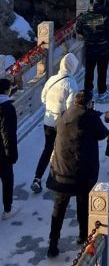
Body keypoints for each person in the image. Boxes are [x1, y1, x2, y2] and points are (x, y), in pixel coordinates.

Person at [46, 90, 108, 256]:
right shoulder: (90, 118)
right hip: (82, 173)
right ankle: (83, 236)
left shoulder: (63, 116)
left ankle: (53, 244)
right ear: (89, 103)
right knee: (83, 205)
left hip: (61, 172)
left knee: (58, 210)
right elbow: (103, 134)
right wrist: (94, 115)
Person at [31, 53, 79, 194]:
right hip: (62, 123)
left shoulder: (52, 79)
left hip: (48, 121)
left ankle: (37, 178)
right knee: (62, 150)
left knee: (47, 149)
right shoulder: (71, 83)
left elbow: (43, 98)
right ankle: (59, 178)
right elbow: (71, 107)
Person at [76, 0, 109, 100]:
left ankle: (88, 91)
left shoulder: (84, 16)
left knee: (89, 71)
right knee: (102, 71)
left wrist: (88, 36)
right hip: (103, 48)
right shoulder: (106, 16)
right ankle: (101, 91)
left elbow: (78, 29)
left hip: (90, 48)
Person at [0, 78, 18, 220]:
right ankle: (7, 209)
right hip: (2, 152)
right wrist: (11, 154)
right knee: (7, 179)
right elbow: (8, 133)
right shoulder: (7, 108)